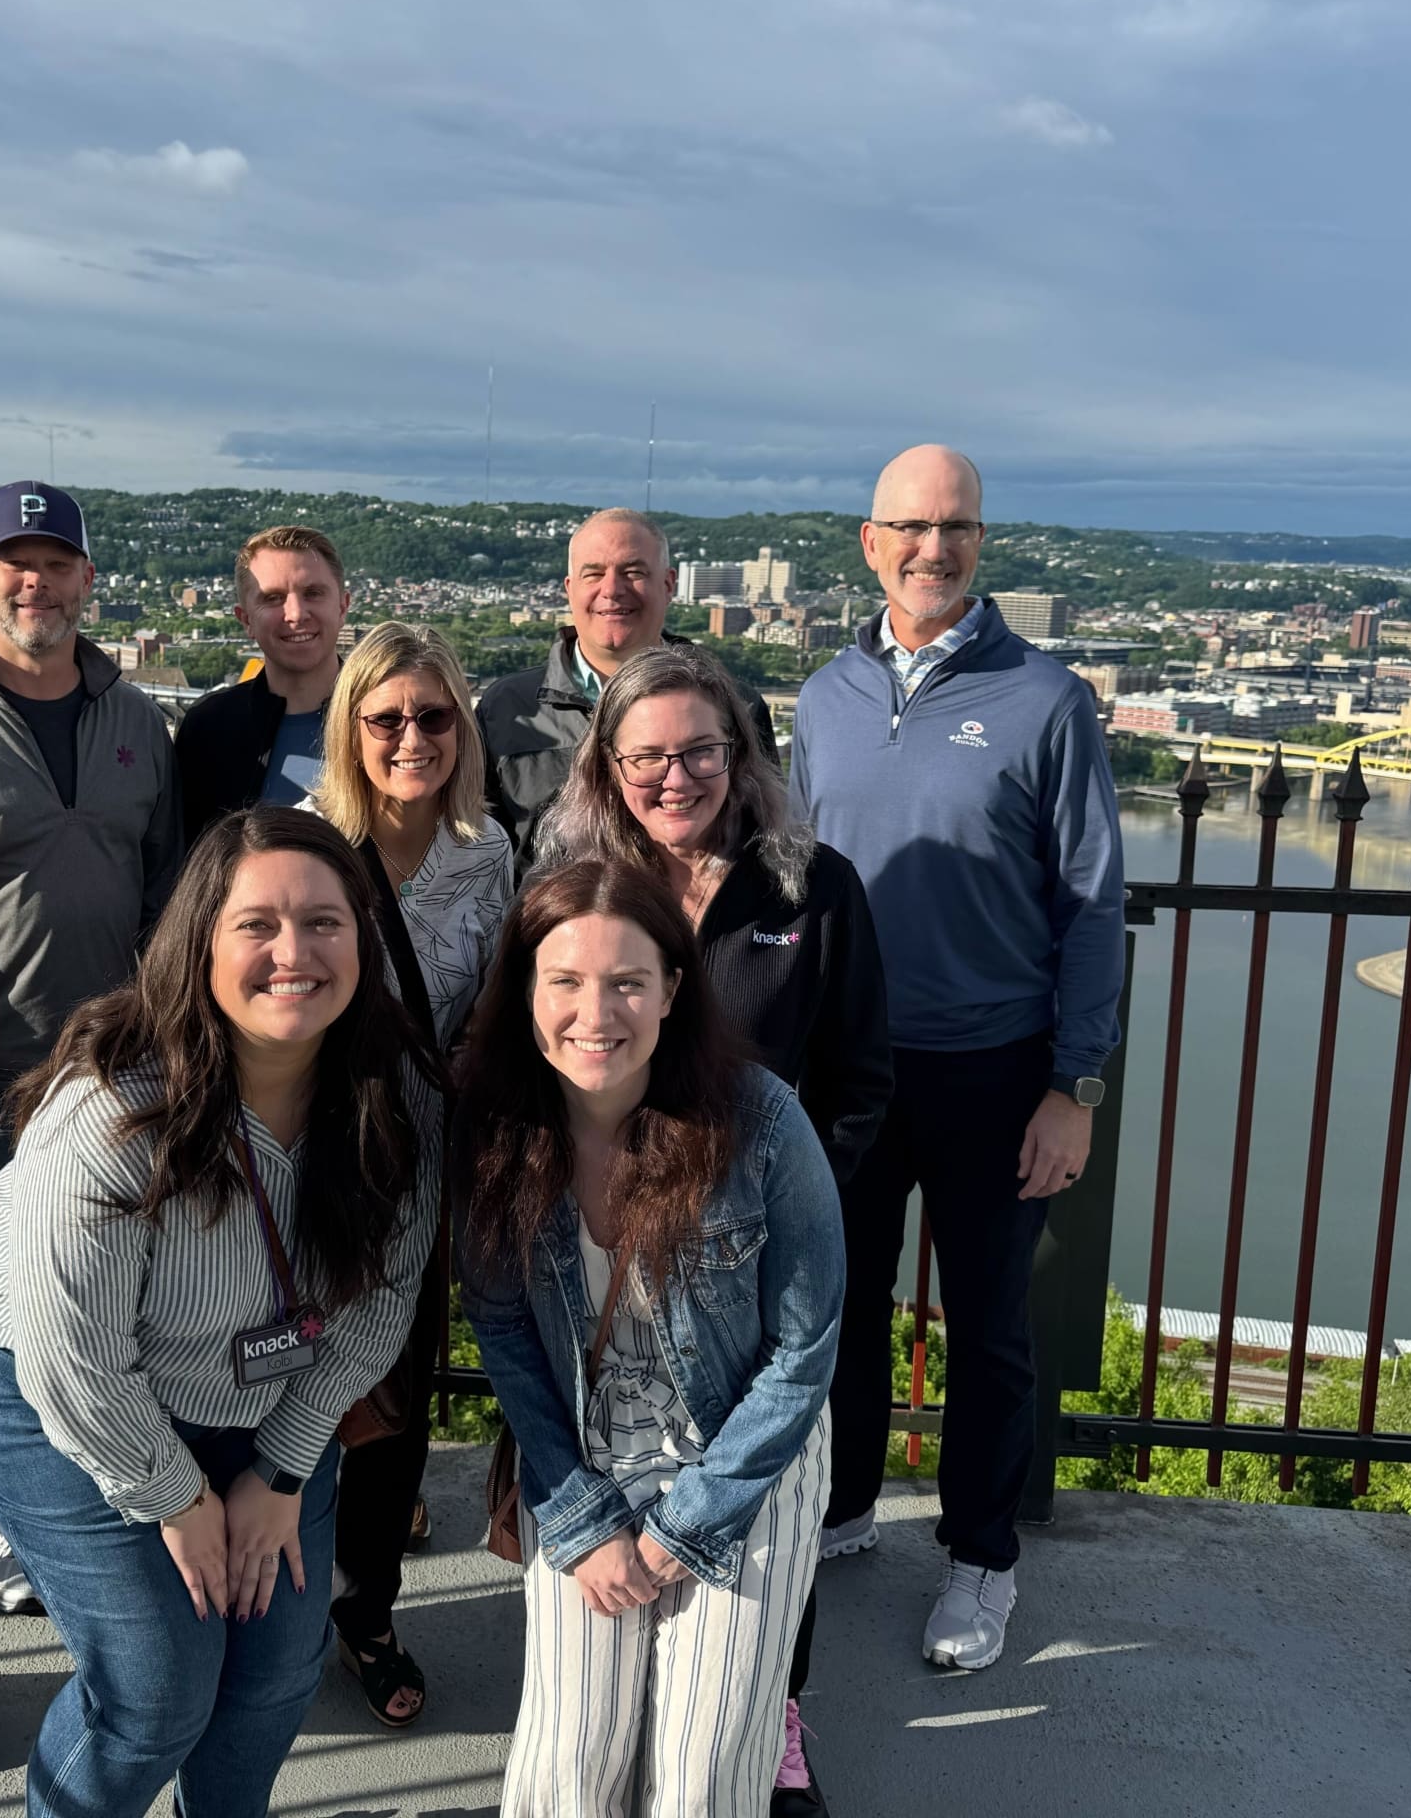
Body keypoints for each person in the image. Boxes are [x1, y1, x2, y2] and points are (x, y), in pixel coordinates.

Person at [0, 808, 441, 1818]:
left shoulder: (401, 1095)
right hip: (48, 1389)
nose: (293, 953)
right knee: (158, 1688)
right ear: (198, 943)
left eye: (323, 922)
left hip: (260, 1394)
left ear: (364, 938)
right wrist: (179, 1498)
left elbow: (381, 1309)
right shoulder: (111, 1110)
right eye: (256, 925)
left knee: (277, 1667)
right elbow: (74, 1362)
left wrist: (280, 1472)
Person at [789, 443, 1124, 1674]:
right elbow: (792, 885)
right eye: (912, 527)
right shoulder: (823, 697)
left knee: (988, 1331)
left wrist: (1073, 1088)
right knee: (838, 1312)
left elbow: (1090, 904)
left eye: (957, 528)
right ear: (870, 541)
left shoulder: (1047, 699)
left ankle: (981, 1560)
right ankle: (843, 1506)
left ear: (981, 543)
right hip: (850, 1071)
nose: (934, 549)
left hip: (995, 1069)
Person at [539, 643, 890, 1812]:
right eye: (646, 756)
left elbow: (860, 1079)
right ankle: (639, 1699)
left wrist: (789, 1208)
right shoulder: (579, 883)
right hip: (602, 1250)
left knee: (762, 1487)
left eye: (700, 751)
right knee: (618, 1484)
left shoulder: (810, 888)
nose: (675, 777)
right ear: (606, 765)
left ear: (740, 757)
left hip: (754, 1255)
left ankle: (772, 1708)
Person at [457, 860, 843, 1818]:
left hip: (743, 1459)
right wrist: (584, 1524)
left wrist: (688, 1528)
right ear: (527, 991)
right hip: (583, 1455)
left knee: (701, 1775)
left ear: (673, 989)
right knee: (568, 1767)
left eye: (627, 982)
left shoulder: (760, 1121)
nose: (596, 1014)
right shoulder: (496, 1130)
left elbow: (801, 1353)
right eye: (565, 981)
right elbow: (502, 1328)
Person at [0, 477, 183, 1615]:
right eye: (16, 565)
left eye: (57, 564)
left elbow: (166, 890)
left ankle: (60, 1509)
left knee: (93, 1301)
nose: (37, 584)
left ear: (86, 580)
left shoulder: (139, 724)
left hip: (110, 1075)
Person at [300, 619, 513, 1727]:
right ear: (350, 727)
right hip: (309, 1160)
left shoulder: (490, 853)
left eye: (434, 716)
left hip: (424, 1169)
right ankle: (275, 1610)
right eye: (384, 718)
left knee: (393, 1402)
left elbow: (496, 1009)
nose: (411, 738)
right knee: (287, 1387)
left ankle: (364, 1612)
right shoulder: (304, 844)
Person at [478, 508, 776, 876]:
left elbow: (764, 845)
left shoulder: (737, 707)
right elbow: (481, 855)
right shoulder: (507, 709)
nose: (612, 590)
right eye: (594, 574)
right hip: (548, 913)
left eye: (633, 572)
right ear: (570, 589)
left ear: (668, 584)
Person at [175, 524, 354, 846]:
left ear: (343, 607)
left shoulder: (390, 722)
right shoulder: (209, 730)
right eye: (273, 598)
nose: (296, 614)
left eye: (313, 593)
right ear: (245, 620)